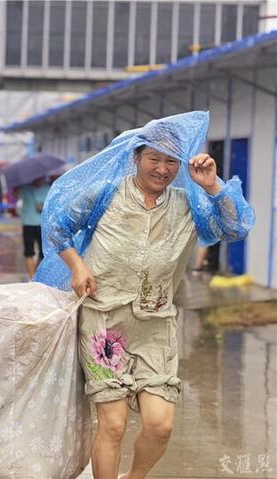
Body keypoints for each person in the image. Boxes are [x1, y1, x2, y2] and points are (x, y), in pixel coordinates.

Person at [36, 112, 254, 479]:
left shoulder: (190, 205)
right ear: (137, 157)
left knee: (160, 424)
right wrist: (77, 266)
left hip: (155, 326)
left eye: (172, 161)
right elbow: (56, 224)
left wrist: (213, 186)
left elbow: (235, 228)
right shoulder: (107, 193)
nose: (162, 168)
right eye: (154, 158)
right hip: (104, 322)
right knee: (114, 423)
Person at [17, 177, 50, 279]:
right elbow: (16, 196)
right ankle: (31, 278)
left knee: (43, 253)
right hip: (28, 223)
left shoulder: (48, 188)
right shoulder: (25, 188)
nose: (39, 180)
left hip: (43, 224)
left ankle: (35, 274)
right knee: (29, 252)